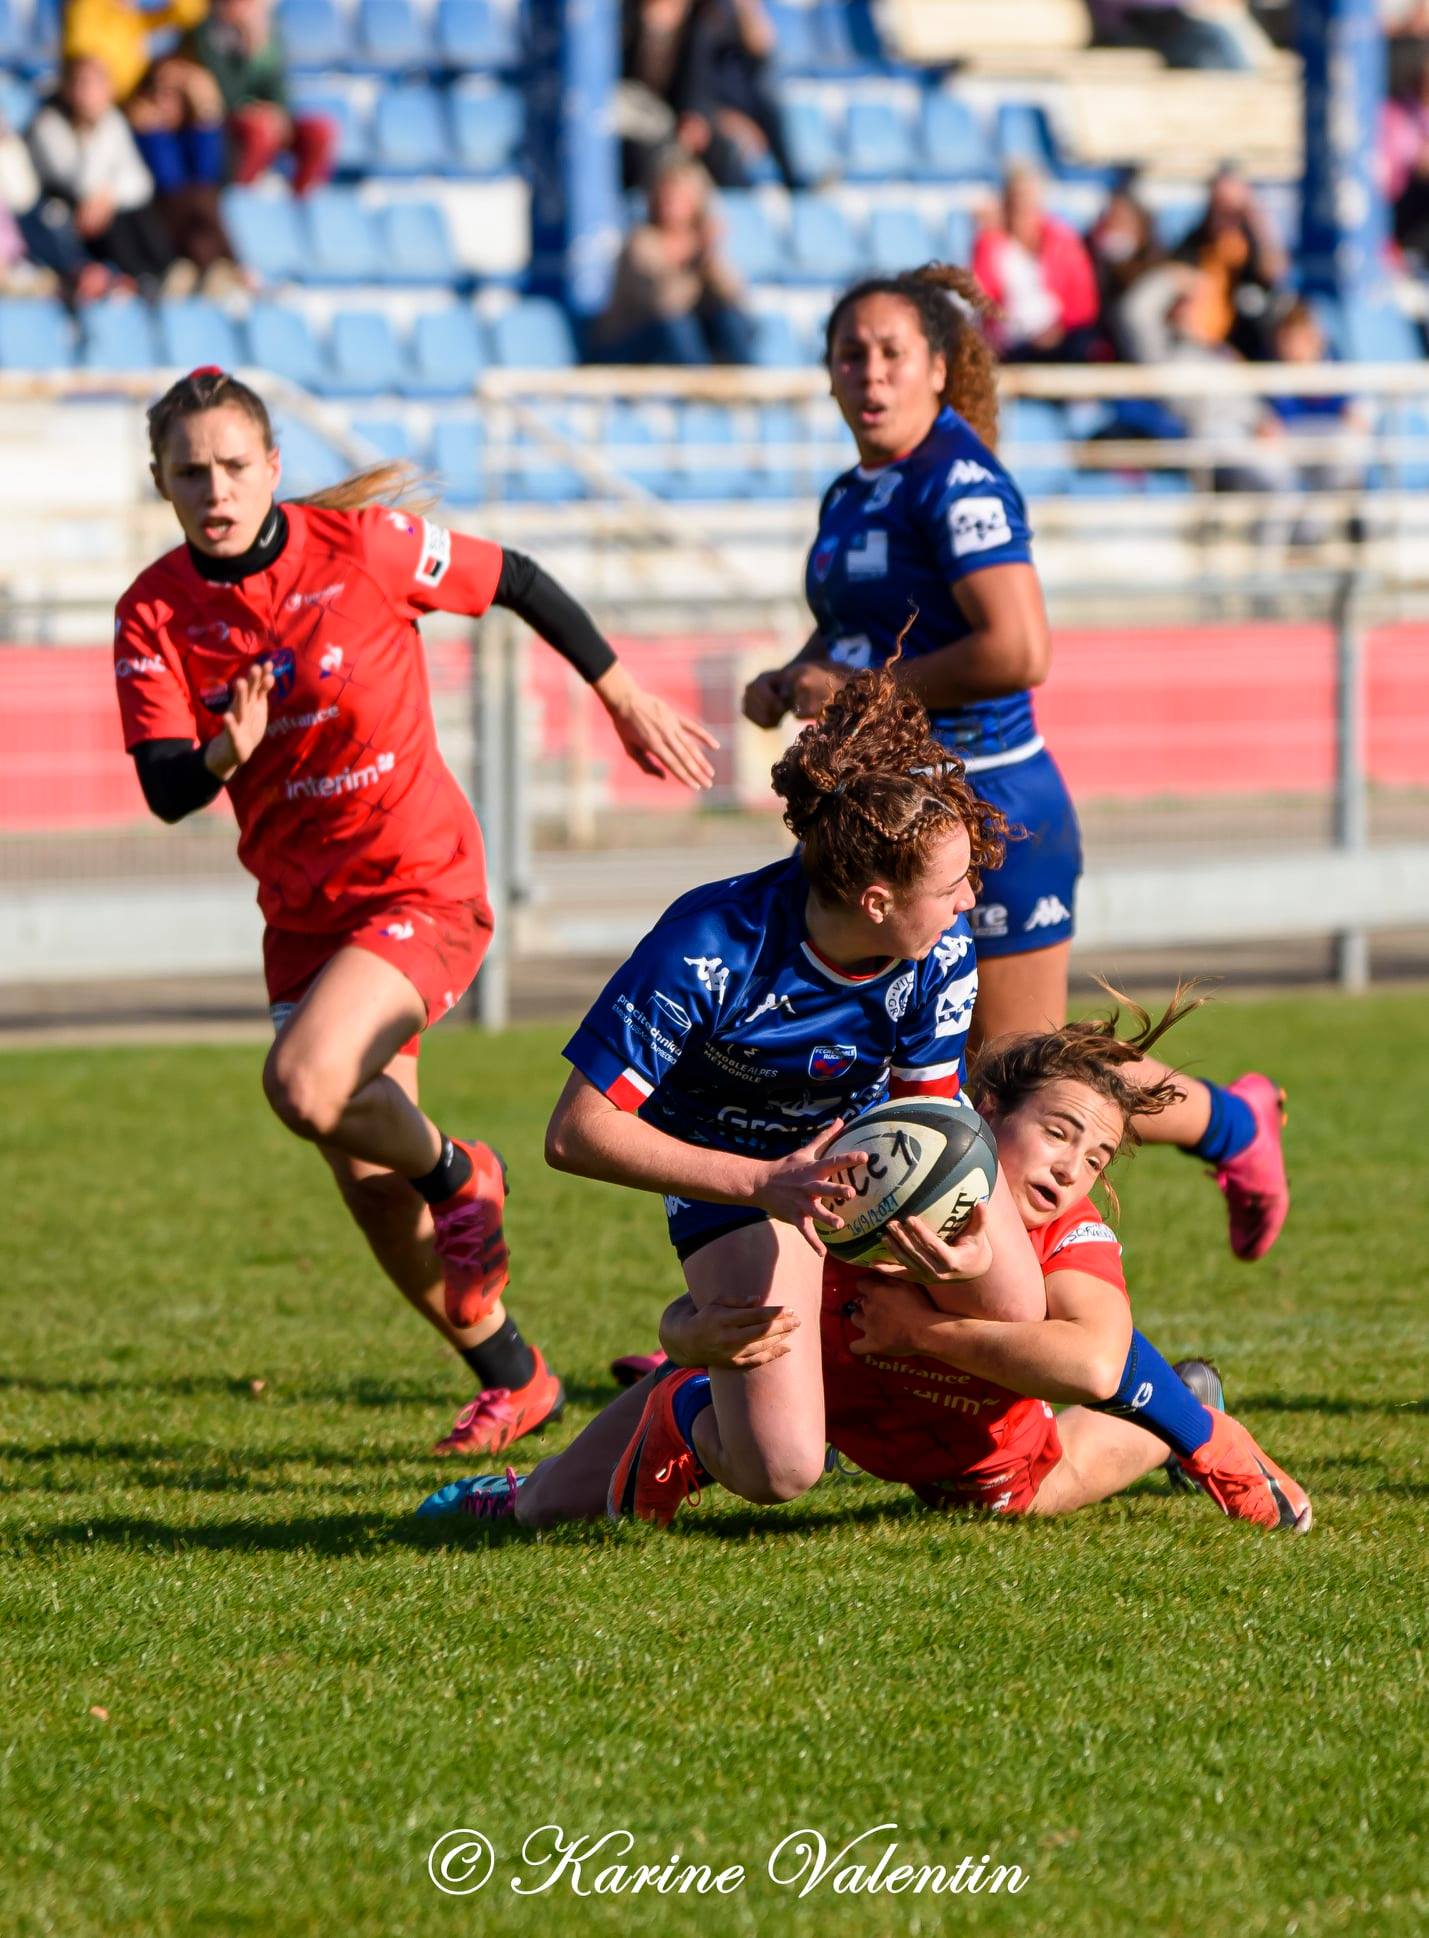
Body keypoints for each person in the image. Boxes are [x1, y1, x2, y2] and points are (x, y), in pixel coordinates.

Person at [112, 366, 719, 1460]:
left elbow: (518, 579)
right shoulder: (155, 611)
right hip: (304, 917)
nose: (215, 488)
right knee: (369, 1186)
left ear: (274, 468)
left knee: (303, 1085)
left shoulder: (363, 549)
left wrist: (620, 693)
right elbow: (166, 787)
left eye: (234, 465)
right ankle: (516, 1376)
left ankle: (462, 1173)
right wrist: (220, 754)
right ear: (159, 480)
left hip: (419, 884)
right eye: (190, 470)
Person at [738, 263, 1290, 1261]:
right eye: (848, 354)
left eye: (891, 353)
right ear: (825, 375)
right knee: (857, 1052)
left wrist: (860, 698)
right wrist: (793, 676)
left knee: (1019, 1082)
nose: (869, 373)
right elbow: (860, 637)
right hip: (894, 818)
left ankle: (1229, 1127)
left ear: (939, 370)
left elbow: (1017, 650)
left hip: (997, 808)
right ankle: (771, 1298)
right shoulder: (849, 494)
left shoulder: (959, 482)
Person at [420, 991, 1311, 1534]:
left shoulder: (1068, 1232)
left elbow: (1091, 1361)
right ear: (981, 1108)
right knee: (576, 1493)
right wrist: (684, 1337)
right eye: (1057, 1133)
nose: (1071, 1169)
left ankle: (1192, 1403)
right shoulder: (862, 1177)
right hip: (845, 1422)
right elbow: (713, 1306)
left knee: (1034, 1497)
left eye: (1096, 1158)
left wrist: (922, 1328)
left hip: (983, 1463)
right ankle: (531, 1482)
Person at [534, 667, 1050, 1522]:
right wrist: (762, 1185)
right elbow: (576, 1133)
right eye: (951, 886)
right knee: (777, 1470)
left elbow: (929, 1112)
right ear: (876, 900)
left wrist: (950, 1234)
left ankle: (779, 1367)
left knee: (1012, 1303)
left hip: (852, 1150)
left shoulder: (940, 949)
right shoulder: (710, 948)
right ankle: (685, 1381)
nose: (970, 900)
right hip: (731, 1175)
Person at [588, 150, 754, 366]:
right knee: (677, 327)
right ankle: (698, 390)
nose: (669, 203)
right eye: (665, 195)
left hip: (678, 335)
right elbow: (666, 304)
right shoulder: (641, 243)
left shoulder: (701, 242)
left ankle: (748, 384)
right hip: (631, 341)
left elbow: (734, 297)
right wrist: (694, 254)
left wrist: (710, 258)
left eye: (678, 196)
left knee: (729, 319)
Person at [27, 53, 176, 287]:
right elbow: (80, 183)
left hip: (104, 209)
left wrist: (109, 196)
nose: (88, 92)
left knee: (137, 211)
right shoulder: (47, 125)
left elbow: (140, 182)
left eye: (95, 83)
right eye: (81, 82)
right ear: (67, 87)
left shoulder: (112, 121)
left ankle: (156, 274)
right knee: (100, 215)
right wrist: (95, 129)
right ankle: (125, 277)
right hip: (69, 217)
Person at [184, 0, 338, 198]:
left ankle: (301, 203)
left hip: (262, 115)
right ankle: (240, 197)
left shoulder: (267, 33)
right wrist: (246, 54)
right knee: (260, 129)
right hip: (224, 121)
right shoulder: (205, 34)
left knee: (319, 131)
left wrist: (278, 113)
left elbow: (277, 87)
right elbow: (224, 93)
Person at [970, 167, 1101, 364]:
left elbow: (1083, 300)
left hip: (1062, 336)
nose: (1024, 206)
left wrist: (1057, 329)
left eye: (1029, 199)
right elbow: (980, 296)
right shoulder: (990, 243)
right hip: (1010, 341)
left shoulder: (1063, 239)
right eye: (1017, 199)